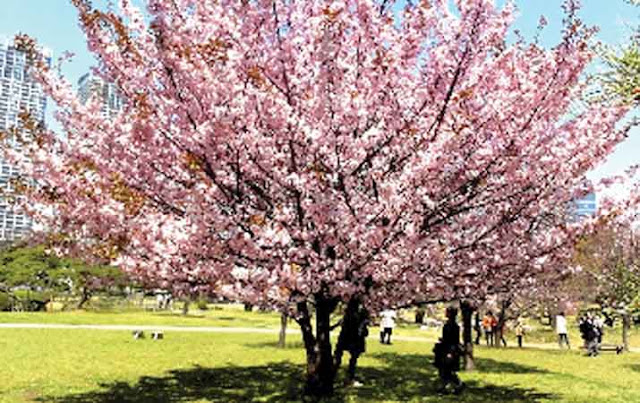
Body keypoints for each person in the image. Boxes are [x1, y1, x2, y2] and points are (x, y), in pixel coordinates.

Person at [334, 299, 369, 386]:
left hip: (345, 337)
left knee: (339, 357)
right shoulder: (359, 315)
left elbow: (341, 323)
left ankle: (332, 376)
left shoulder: (348, 314)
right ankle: (349, 378)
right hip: (355, 339)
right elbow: (362, 329)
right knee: (352, 359)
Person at [433, 306, 464, 394]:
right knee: (443, 370)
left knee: (448, 370)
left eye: (447, 312)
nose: (445, 313)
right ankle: (444, 387)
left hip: (449, 350)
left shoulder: (454, 326)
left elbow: (454, 340)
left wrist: (451, 352)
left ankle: (458, 384)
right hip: (444, 348)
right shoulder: (448, 324)